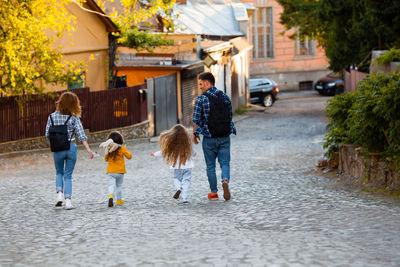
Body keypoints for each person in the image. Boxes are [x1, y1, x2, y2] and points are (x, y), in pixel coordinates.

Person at [45, 91, 94, 210]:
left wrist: (56, 142)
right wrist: (89, 150)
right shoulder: (74, 118)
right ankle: (68, 202)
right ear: (74, 104)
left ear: (60, 102)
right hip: (71, 147)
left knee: (59, 172)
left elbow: (47, 134)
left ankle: (59, 195)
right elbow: (81, 135)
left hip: (57, 149)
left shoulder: (51, 116)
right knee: (68, 175)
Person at [192, 72, 236, 201]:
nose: (200, 87)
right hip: (224, 137)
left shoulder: (201, 99)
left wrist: (195, 134)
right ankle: (225, 180)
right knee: (225, 163)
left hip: (209, 139)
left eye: (201, 84)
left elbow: (196, 120)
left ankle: (214, 193)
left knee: (210, 166)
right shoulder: (225, 97)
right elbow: (230, 116)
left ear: (207, 82)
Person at [151, 124, 196, 203]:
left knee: (176, 179)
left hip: (177, 166)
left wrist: (154, 154)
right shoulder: (187, 143)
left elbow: (163, 152)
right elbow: (193, 153)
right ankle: (185, 198)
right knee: (186, 181)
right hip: (188, 166)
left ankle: (178, 188)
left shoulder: (172, 144)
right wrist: (195, 154)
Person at [99, 131, 132, 207]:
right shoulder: (122, 149)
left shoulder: (109, 149)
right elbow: (129, 156)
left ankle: (110, 196)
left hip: (111, 172)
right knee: (119, 186)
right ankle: (119, 200)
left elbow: (106, 159)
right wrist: (125, 149)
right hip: (120, 172)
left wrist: (107, 152)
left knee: (111, 185)